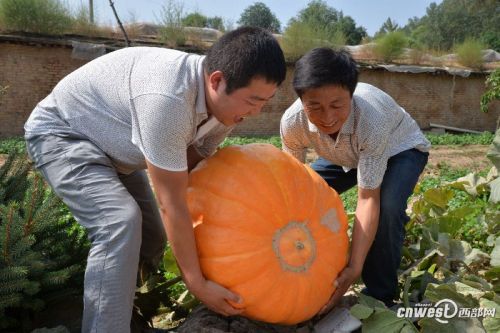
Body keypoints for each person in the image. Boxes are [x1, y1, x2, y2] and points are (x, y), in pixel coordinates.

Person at [24, 27, 286, 332]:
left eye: (264, 103)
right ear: (217, 80)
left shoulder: (224, 109)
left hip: (118, 149)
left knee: (152, 236)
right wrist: (197, 283)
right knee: (118, 222)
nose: (256, 112)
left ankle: (119, 308)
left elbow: (193, 167)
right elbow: (171, 202)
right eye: (252, 101)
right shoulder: (168, 100)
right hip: (62, 134)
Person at [280, 48, 430, 310]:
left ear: (352, 94)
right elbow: (293, 184)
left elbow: (367, 198)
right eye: (314, 106)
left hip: (399, 149)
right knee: (306, 194)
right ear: (301, 99)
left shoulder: (371, 121)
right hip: (345, 154)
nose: (327, 117)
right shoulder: (292, 123)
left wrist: (354, 267)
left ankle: (380, 295)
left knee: (387, 208)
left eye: (337, 105)